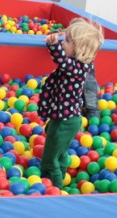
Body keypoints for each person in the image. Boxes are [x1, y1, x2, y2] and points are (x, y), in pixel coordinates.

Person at [38, 18, 104, 189]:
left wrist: (53, 45)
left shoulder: (77, 69)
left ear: (80, 49)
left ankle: (54, 188)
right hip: (65, 117)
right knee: (60, 153)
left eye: (67, 41)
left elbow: (62, 60)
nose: (62, 42)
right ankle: (58, 175)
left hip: (65, 120)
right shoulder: (82, 64)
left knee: (49, 157)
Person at [70, 17, 101, 118]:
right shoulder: (89, 49)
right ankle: (93, 121)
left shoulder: (76, 51)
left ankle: (93, 122)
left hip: (84, 85)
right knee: (91, 106)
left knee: (89, 106)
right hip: (90, 85)